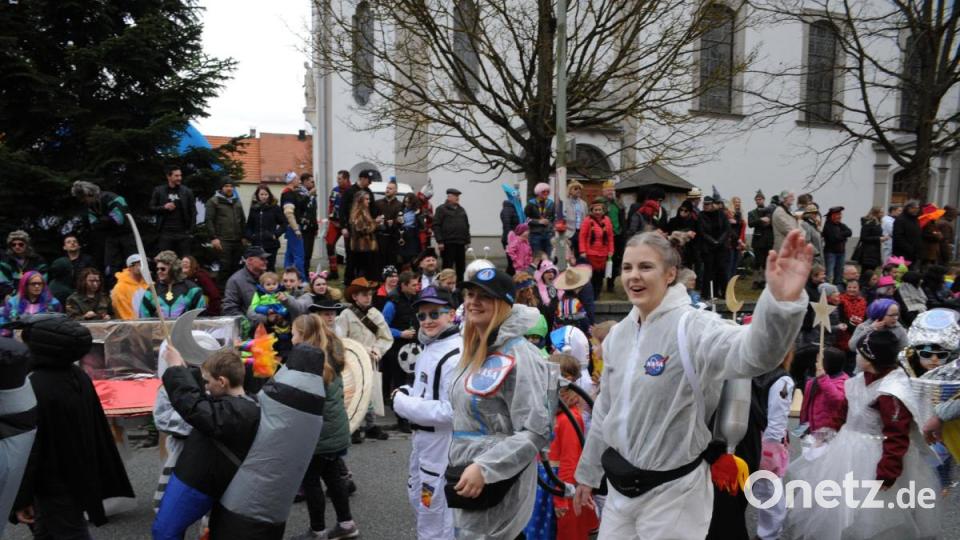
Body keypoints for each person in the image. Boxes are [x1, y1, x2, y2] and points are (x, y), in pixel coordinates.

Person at [571, 229, 812, 539]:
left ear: (670, 273)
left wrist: (781, 303)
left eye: (646, 267)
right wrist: (588, 474)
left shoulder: (694, 327)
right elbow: (605, 409)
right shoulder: (619, 335)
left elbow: (754, 354)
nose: (634, 276)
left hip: (674, 494)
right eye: (627, 267)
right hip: (620, 492)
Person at [787, 330, 940, 540]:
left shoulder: (891, 391)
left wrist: (887, 471)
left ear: (871, 358)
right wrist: (828, 431)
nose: (855, 356)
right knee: (840, 503)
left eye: (860, 353)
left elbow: (897, 435)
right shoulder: (860, 379)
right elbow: (844, 409)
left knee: (873, 511)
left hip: (875, 455)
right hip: (846, 449)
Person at [445, 267, 555, 539]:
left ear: (504, 303)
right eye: (470, 294)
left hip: (498, 483)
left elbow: (535, 430)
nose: (473, 302)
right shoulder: (475, 350)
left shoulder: (519, 354)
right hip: (469, 479)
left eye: (485, 296)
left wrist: (486, 467)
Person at [11, 315, 133, 537]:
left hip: (52, 487)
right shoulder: (76, 375)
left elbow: (31, 449)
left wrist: (22, 497)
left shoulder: (36, 386)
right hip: (78, 477)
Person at [152, 348, 260, 540]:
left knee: (164, 532)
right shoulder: (243, 404)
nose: (206, 387)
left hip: (198, 484)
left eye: (208, 381)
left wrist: (176, 369)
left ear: (222, 381)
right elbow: (200, 401)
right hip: (207, 480)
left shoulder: (240, 411)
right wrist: (187, 372)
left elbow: (193, 406)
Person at [392, 286, 462, 540]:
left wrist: (403, 404)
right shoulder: (432, 346)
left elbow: (452, 410)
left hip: (440, 447)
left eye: (435, 314)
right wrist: (407, 390)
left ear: (451, 314)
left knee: (434, 514)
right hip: (423, 443)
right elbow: (428, 392)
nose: (427, 321)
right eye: (422, 316)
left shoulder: (454, 355)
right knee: (420, 501)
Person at [291, 314, 359, 540]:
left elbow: (298, 397)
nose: (291, 339)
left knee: (311, 481)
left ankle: (317, 531)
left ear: (304, 336)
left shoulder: (309, 362)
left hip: (318, 434)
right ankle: (347, 525)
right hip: (334, 430)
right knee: (333, 478)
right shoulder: (330, 353)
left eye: (293, 334)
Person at [547, 354, 600, 540]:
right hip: (553, 487)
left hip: (563, 491)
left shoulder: (569, 419)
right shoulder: (555, 414)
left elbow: (569, 462)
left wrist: (561, 498)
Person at [337, 277, 393, 442]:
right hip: (352, 361)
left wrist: (377, 349)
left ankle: (370, 425)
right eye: (363, 294)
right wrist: (358, 350)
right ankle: (353, 425)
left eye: (369, 294)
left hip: (371, 360)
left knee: (370, 392)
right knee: (353, 394)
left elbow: (385, 337)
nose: (368, 297)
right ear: (354, 296)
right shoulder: (346, 315)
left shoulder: (375, 314)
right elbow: (341, 339)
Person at [71, 180, 135, 278]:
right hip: (111, 237)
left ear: (89, 194)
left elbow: (118, 220)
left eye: (84, 198)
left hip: (128, 236)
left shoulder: (113, 198)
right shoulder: (91, 207)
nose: (83, 202)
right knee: (110, 266)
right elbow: (94, 225)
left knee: (133, 262)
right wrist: (107, 219)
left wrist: (103, 221)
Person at [382, 271, 421, 427]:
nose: (417, 288)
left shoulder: (416, 299)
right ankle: (401, 419)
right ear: (403, 285)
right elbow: (383, 327)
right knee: (399, 383)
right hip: (397, 349)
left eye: (418, 284)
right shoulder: (392, 303)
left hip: (415, 348)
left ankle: (412, 415)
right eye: (413, 285)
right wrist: (400, 333)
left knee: (414, 382)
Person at [140, 250, 206, 319]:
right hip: (159, 329)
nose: (159, 272)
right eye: (158, 269)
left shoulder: (192, 289)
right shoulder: (151, 290)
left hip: (184, 329)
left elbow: (201, 316)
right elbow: (143, 316)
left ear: (173, 269)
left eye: (163, 269)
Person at [206, 178, 247, 286]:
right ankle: (221, 292)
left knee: (236, 267)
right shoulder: (214, 201)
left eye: (231, 186)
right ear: (221, 188)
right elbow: (209, 220)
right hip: (222, 240)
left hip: (237, 240)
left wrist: (243, 236)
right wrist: (213, 238)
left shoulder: (237, 201)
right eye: (226, 186)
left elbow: (242, 219)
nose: (229, 188)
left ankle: (234, 292)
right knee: (225, 267)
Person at [150, 165, 197, 257]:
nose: (179, 178)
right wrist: (164, 207)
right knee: (164, 260)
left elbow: (193, 212)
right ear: (168, 176)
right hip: (165, 233)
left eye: (180, 175)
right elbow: (151, 208)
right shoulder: (159, 190)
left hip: (182, 233)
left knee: (184, 260)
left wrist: (190, 232)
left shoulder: (187, 192)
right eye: (176, 176)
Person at [340, 170, 377, 282]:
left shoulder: (369, 192)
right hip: (353, 230)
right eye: (368, 181)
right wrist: (343, 226)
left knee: (365, 259)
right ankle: (349, 280)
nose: (370, 183)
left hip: (366, 233)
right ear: (362, 179)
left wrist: (374, 219)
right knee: (351, 257)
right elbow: (342, 210)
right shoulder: (349, 191)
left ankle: (362, 279)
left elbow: (373, 209)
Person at [223, 246, 270, 327]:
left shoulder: (269, 278)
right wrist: (248, 323)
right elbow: (230, 309)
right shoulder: (235, 281)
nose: (266, 261)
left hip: (271, 327)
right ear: (250, 260)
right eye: (262, 259)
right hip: (250, 330)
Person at [433, 188, 471, 283]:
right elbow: (436, 225)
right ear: (449, 197)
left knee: (461, 267)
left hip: (461, 243)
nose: (457, 198)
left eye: (458, 196)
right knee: (447, 267)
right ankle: (445, 285)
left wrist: (467, 241)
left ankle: (459, 286)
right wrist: (440, 241)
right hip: (448, 243)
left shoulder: (461, 210)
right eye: (455, 196)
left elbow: (466, 225)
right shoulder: (441, 209)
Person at [579, 198, 615, 297]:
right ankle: (590, 294)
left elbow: (610, 237)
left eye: (600, 210)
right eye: (596, 210)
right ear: (592, 210)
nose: (598, 212)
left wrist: (611, 250)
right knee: (591, 275)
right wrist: (582, 251)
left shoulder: (607, 220)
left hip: (603, 253)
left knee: (600, 275)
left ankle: (597, 293)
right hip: (591, 253)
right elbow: (582, 236)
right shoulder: (587, 221)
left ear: (603, 210)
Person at [245, 183, 285, 271]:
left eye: (266, 194)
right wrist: (251, 236)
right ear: (257, 196)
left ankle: (271, 284)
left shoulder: (275, 208)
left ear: (269, 195)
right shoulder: (254, 209)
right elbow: (249, 226)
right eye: (261, 194)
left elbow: (284, 224)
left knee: (269, 267)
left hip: (271, 244)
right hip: (256, 245)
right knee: (257, 268)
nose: (264, 197)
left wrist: (275, 234)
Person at [699, 196, 732, 299]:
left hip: (721, 247)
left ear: (713, 204)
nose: (706, 206)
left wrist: (719, 241)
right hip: (708, 247)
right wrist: (713, 241)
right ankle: (707, 293)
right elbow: (702, 232)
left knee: (722, 270)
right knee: (709, 270)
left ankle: (724, 293)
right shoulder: (701, 215)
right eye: (704, 204)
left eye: (708, 204)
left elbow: (727, 229)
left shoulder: (721, 214)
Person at [0, 230, 48, 299]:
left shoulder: (38, 260)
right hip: (11, 296)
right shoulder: (6, 261)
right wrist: (9, 294)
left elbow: (43, 279)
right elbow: (2, 281)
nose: (17, 247)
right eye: (13, 245)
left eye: (20, 244)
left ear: (27, 245)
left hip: (34, 295)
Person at [325, 170, 353, 279]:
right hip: (334, 223)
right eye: (337, 179)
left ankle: (349, 273)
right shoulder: (335, 190)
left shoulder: (352, 191)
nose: (338, 181)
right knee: (329, 245)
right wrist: (331, 219)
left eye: (340, 179)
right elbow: (331, 205)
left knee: (349, 249)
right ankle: (333, 271)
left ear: (346, 179)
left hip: (347, 224)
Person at [347, 191, 379, 282]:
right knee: (362, 270)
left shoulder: (365, 211)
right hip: (361, 247)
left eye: (369, 199)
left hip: (366, 247)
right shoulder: (358, 213)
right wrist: (375, 223)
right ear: (360, 200)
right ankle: (360, 287)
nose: (369, 201)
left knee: (367, 270)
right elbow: (362, 229)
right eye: (366, 199)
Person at [374, 178, 404, 275]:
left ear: (396, 191)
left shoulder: (400, 205)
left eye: (390, 188)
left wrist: (394, 222)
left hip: (393, 238)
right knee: (379, 262)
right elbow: (373, 218)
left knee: (392, 261)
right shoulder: (378, 203)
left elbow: (401, 221)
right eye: (387, 188)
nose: (387, 190)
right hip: (379, 237)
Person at [282, 171, 308, 279]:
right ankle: (301, 279)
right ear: (292, 180)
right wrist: (296, 229)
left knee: (290, 255)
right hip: (294, 227)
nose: (299, 181)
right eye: (297, 179)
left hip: (291, 228)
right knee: (298, 255)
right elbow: (288, 212)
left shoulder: (289, 193)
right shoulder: (288, 194)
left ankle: (288, 277)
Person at [602, 181, 626, 293]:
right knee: (603, 260)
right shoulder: (600, 203)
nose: (610, 192)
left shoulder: (618, 204)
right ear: (603, 191)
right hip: (604, 237)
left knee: (615, 261)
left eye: (612, 190)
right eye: (608, 190)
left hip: (617, 235)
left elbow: (622, 220)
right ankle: (599, 282)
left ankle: (611, 284)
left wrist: (623, 232)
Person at [110, 254, 149, 320]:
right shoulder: (120, 288)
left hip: (150, 325)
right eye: (140, 264)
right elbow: (123, 312)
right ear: (130, 267)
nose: (144, 267)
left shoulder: (149, 284)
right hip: (130, 327)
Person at [748, 190, 774, 288]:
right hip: (758, 240)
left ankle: (763, 280)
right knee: (757, 262)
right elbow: (750, 224)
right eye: (757, 199)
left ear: (764, 200)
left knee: (766, 262)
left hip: (768, 239)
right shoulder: (752, 213)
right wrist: (760, 220)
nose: (759, 201)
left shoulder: (770, 211)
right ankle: (755, 281)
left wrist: (768, 221)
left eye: (760, 199)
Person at [822, 206, 852, 285]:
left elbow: (849, 232)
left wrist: (840, 235)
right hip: (831, 253)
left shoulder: (840, 225)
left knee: (839, 273)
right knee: (829, 274)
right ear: (832, 216)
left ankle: (838, 288)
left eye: (840, 214)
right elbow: (834, 238)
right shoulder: (828, 226)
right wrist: (843, 236)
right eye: (838, 214)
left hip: (841, 252)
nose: (840, 216)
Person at [525, 183, 556, 257]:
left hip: (548, 234)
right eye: (543, 191)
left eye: (547, 191)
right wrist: (538, 222)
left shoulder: (551, 203)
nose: (546, 193)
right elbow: (526, 219)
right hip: (535, 234)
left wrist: (548, 221)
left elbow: (553, 217)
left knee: (549, 256)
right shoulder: (530, 204)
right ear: (538, 192)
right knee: (537, 256)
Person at [400, 193, 426, 270]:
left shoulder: (418, 211)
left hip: (413, 235)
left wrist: (418, 215)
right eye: (405, 202)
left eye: (409, 202)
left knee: (413, 257)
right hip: (403, 235)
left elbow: (423, 226)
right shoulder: (401, 210)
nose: (407, 204)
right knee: (404, 258)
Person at [300, 173, 320, 274]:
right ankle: (302, 272)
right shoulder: (300, 193)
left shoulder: (312, 196)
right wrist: (309, 195)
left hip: (311, 227)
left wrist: (316, 227)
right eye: (311, 181)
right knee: (304, 252)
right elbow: (301, 206)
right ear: (305, 181)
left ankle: (306, 271)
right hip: (303, 227)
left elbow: (313, 212)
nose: (313, 184)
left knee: (309, 252)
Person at [893, 200, 922, 264]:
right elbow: (898, 236)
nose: (917, 210)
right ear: (908, 208)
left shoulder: (915, 219)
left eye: (918, 208)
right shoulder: (900, 219)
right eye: (915, 208)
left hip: (914, 253)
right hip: (902, 253)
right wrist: (909, 248)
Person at [856, 207, 884, 271]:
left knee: (871, 271)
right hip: (868, 252)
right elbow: (863, 237)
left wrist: (883, 237)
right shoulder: (869, 223)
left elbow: (874, 234)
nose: (883, 214)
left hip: (875, 250)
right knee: (866, 271)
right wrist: (878, 238)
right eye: (881, 213)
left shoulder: (877, 222)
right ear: (875, 213)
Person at [565, 180, 588, 256]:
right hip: (569, 233)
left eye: (579, 189)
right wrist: (564, 235)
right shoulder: (565, 203)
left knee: (580, 254)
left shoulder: (583, 203)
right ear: (570, 191)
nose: (578, 190)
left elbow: (586, 218)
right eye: (575, 189)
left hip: (580, 232)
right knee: (568, 255)